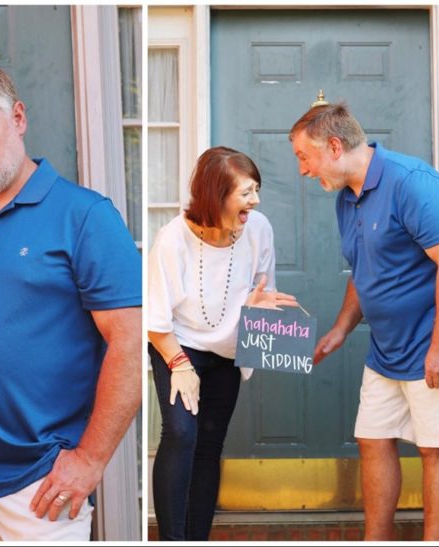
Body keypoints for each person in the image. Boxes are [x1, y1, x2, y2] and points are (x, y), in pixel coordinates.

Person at [0, 65, 142, 541]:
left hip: (41, 484)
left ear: (17, 118)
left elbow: (129, 339)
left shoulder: (85, 216)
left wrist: (91, 459)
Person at [289, 102, 439, 541]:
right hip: (384, 350)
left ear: (334, 145)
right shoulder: (347, 198)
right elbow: (364, 271)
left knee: (437, 450)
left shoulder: (413, 183)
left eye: (305, 157)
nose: (304, 170)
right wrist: (341, 331)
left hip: (429, 345)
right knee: (372, 440)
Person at [147, 146, 298, 540]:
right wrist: (179, 364)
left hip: (229, 349)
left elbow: (262, 292)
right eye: (246, 192)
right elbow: (156, 319)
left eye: (256, 190)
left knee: (209, 444)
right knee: (181, 434)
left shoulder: (259, 228)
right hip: (177, 344)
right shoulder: (172, 239)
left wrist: (258, 308)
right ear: (217, 195)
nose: (256, 200)